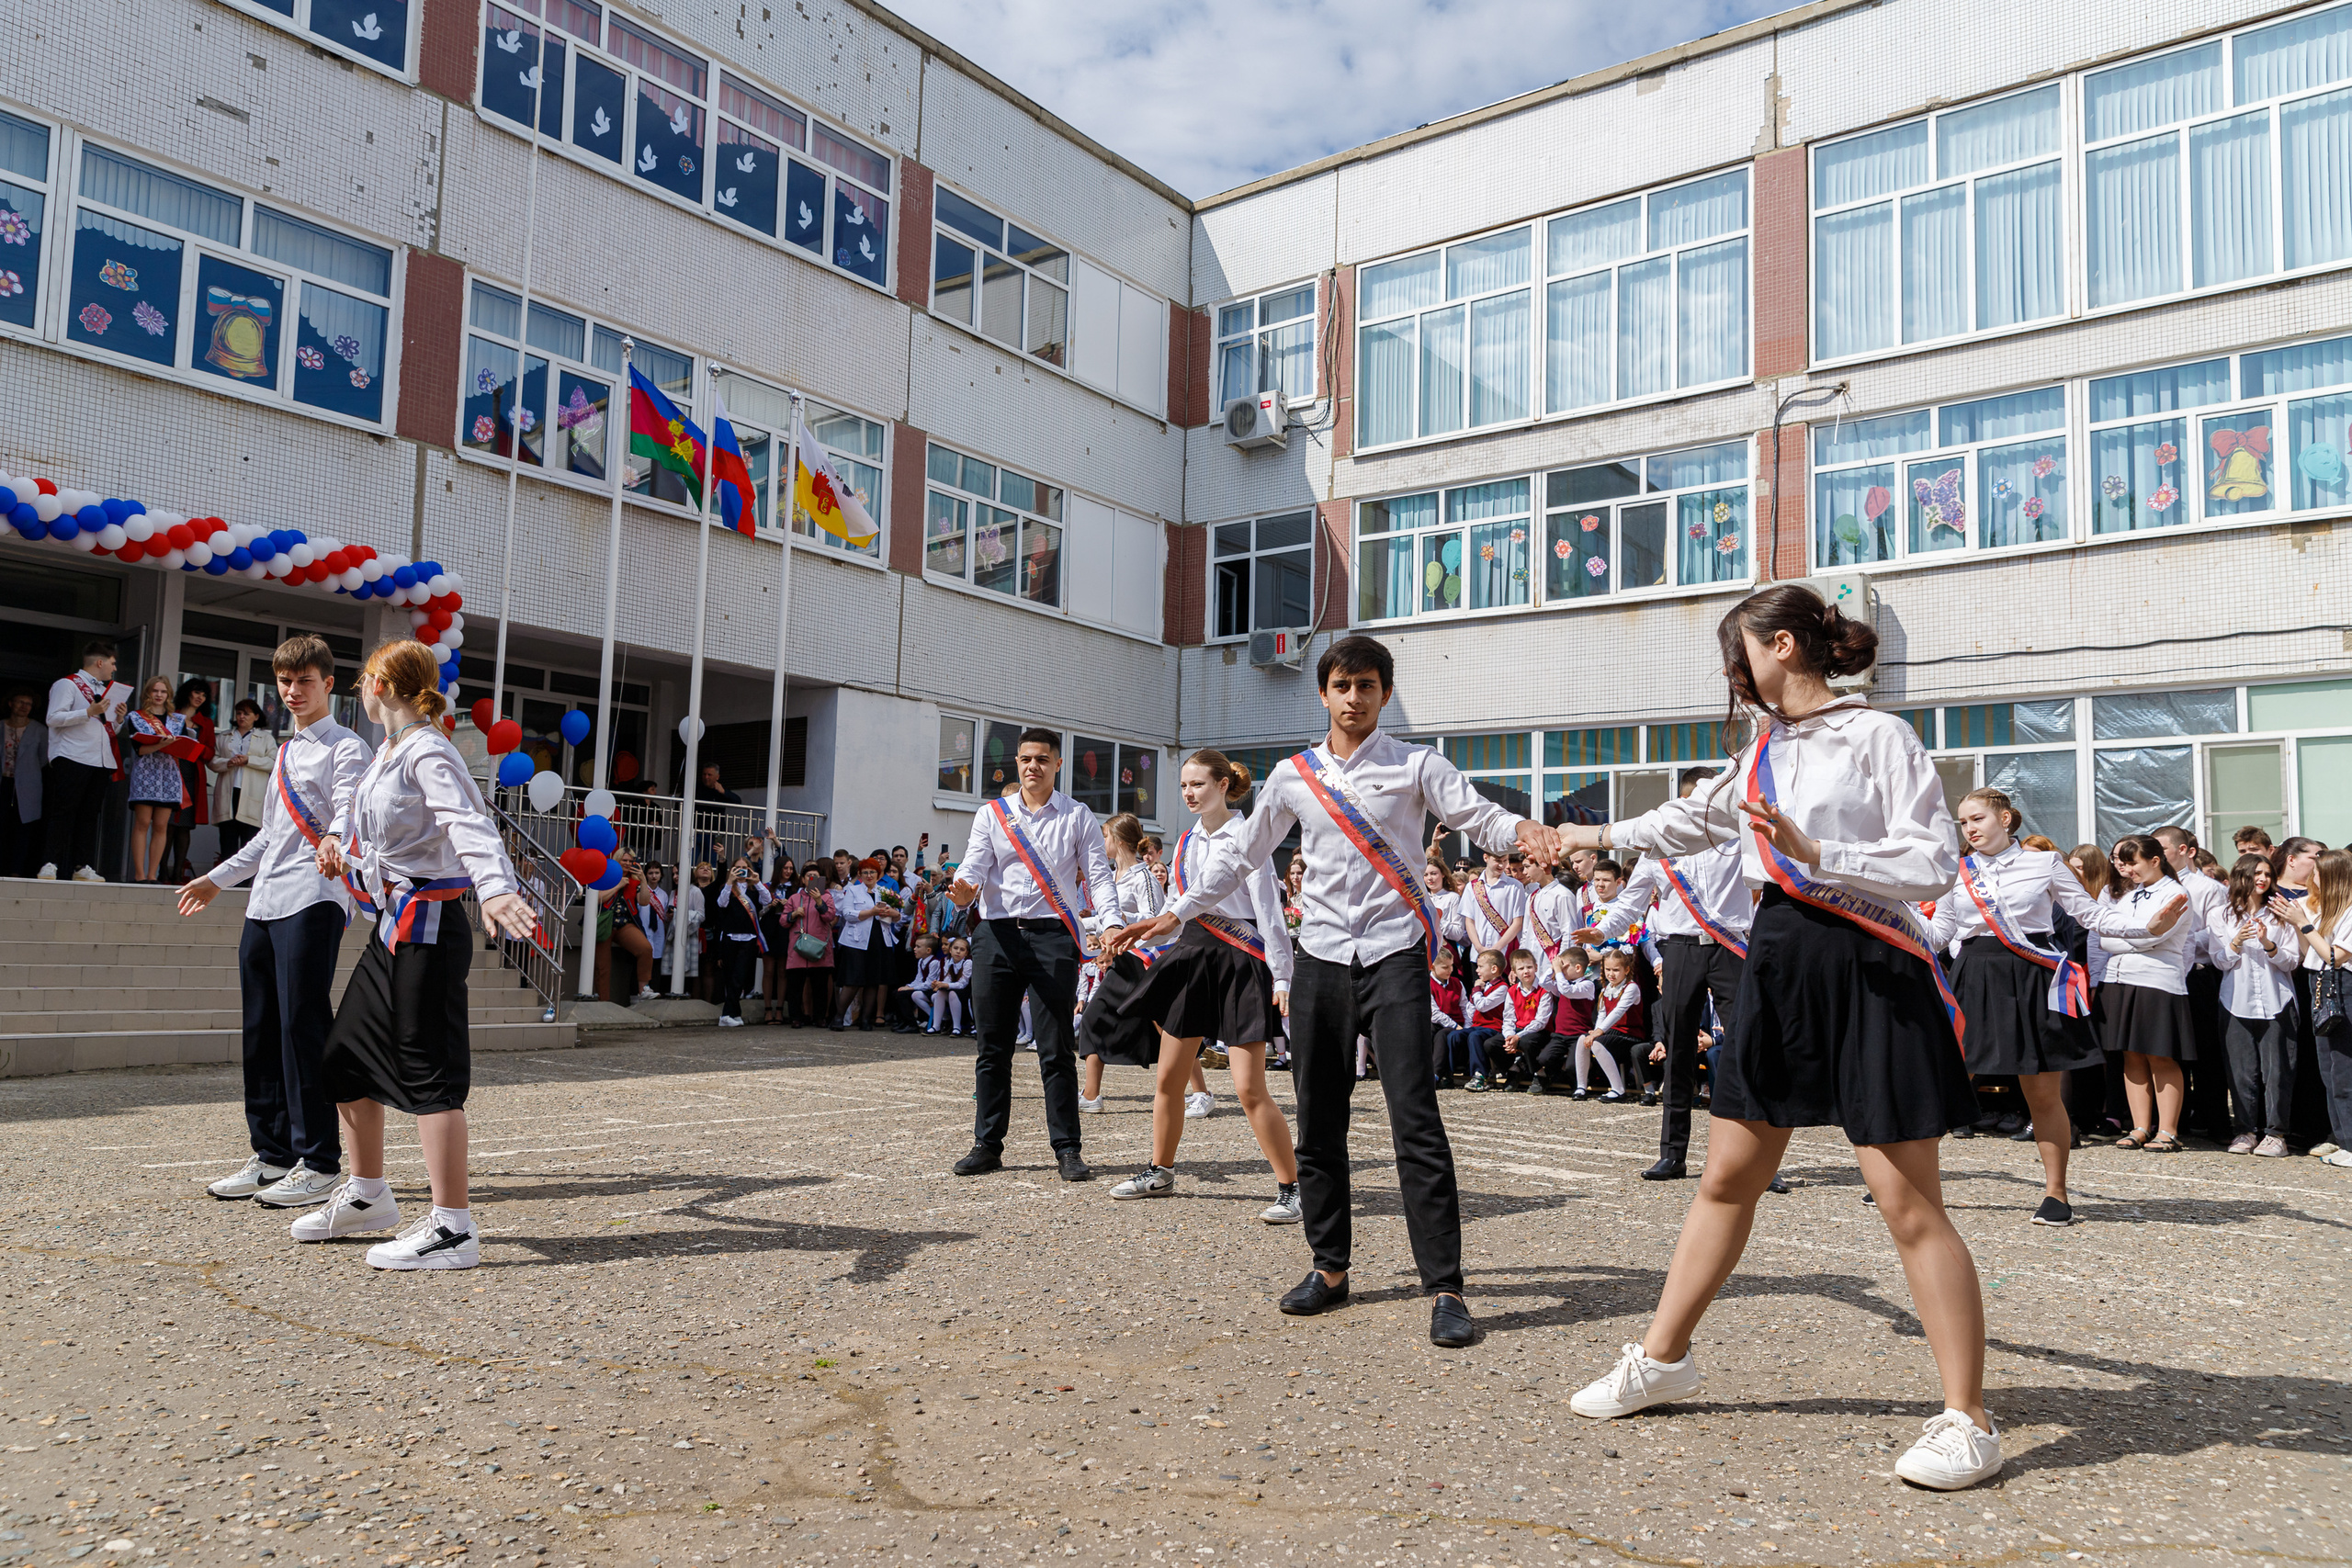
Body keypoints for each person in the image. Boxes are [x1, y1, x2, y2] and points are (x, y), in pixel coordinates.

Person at [1554, 584, 2002, 1492]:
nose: (1735, 671)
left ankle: (1968, 1419)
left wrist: (1823, 855)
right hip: (1779, 958)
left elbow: (1932, 862)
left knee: (1904, 1200)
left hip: (1870, 966)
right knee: (1726, 1176)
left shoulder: (1877, 736)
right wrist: (1587, 832)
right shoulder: (1759, 752)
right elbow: (1687, 821)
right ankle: (1663, 1356)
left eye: (1741, 652)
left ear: (1783, 645)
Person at [1110, 636, 1557, 1349]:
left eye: (1369, 685)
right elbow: (1243, 852)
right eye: (1344, 684)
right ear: (1323, 693)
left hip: (1396, 959)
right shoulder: (1293, 775)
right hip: (1320, 959)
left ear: (1384, 694)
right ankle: (1330, 1267)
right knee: (1320, 1120)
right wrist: (1178, 910)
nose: (1355, 697)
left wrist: (1525, 827)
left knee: (1415, 1118)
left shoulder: (1417, 764)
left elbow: (1478, 817)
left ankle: (1444, 1286)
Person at [300, 637, 536, 1269]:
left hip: (429, 927)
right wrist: (342, 851)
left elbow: (468, 822)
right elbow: (382, 833)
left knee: (431, 1073)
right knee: (345, 1055)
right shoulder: (391, 751)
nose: (359, 690)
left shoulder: (430, 750)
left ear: (380, 685)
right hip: (393, 926)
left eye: (362, 680)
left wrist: (495, 888)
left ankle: (453, 1228)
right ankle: (370, 1195)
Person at [1924, 790, 2179, 1224]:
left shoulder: (2044, 863)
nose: (1968, 828)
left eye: (1977, 818)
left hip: (2032, 976)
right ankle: (1912, 1183)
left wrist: (2145, 926)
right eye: (1962, 821)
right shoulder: (1956, 870)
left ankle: (2056, 1194)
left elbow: (2091, 915)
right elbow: (1939, 934)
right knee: (1946, 1083)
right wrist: (1891, 921)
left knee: (2042, 1093)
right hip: (1975, 975)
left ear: (2005, 818)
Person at [178, 635, 369, 1209]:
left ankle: (320, 1161)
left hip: (316, 896)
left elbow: (348, 809)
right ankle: (271, 1154)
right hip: (265, 900)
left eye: (304, 681)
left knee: (301, 1025)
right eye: (285, 682)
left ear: (328, 684)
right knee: (261, 1026)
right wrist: (219, 879)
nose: (293, 692)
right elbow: (269, 836)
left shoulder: (346, 747)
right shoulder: (284, 752)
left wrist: (336, 836)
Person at [1102, 750, 1303, 1224]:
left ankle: (1291, 1188)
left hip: (1239, 957)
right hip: (1194, 954)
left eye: (1199, 785)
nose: (1190, 793)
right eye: (1185, 786)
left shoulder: (1248, 836)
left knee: (1250, 1087)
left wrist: (1283, 974)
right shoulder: (1188, 841)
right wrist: (1133, 936)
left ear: (1223, 785)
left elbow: (1270, 914)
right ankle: (1160, 1170)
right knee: (1169, 1077)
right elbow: (1176, 908)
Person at [947, 728, 1118, 1180]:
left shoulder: (1077, 815)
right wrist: (964, 889)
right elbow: (973, 866)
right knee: (992, 1047)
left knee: (1055, 1047)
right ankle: (987, 1144)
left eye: (1042, 759)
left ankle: (1067, 1148)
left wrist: (1113, 923)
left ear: (1057, 764)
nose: (1032, 767)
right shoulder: (992, 814)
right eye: (1025, 759)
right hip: (997, 936)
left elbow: (1098, 877)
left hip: (1052, 938)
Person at [1580, 770, 1749, 1179]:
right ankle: (1673, 1153)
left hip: (1731, 948)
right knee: (1677, 1051)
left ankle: (1753, 1158)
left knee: (1745, 1047)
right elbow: (1631, 903)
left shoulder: (1736, 835)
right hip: (1680, 950)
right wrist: (1601, 930)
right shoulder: (1659, 849)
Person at [2100, 834, 2199, 1152]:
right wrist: (2136, 935)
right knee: (2131, 1053)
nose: (2126, 870)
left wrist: (2131, 936)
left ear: (2155, 861)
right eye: (2123, 863)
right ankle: (2140, 1125)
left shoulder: (2175, 893)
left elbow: (2153, 938)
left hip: (2157, 981)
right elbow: (2105, 937)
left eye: (2133, 863)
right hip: (2121, 978)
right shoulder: (2131, 895)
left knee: (2160, 1054)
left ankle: (2167, 1129)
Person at [1078, 812, 1172, 1111]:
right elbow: (1108, 918)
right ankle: (1091, 1096)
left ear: (1117, 840)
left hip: (1144, 962)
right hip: (1124, 963)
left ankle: (1201, 1091)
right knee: (1097, 1018)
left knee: (1166, 1026)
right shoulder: (1112, 875)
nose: (1102, 841)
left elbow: (1155, 918)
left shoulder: (1144, 875)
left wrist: (1118, 922)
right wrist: (1081, 923)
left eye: (1105, 836)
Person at [2215, 852, 2299, 1156]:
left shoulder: (2281, 911)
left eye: (2267, 874)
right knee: (2241, 1070)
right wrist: (2236, 942)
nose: (2263, 879)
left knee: (2278, 1069)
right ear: (2242, 877)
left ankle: (2276, 1134)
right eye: (2256, 874)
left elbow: (2291, 961)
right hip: (2235, 1000)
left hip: (2277, 999)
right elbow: (2219, 960)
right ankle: (2245, 1131)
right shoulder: (2222, 915)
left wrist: (2268, 944)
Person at [2273, 847, 2352, 1167]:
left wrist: (2303, 923)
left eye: (2317, 872)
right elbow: (2311, 953)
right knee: (2328, 1070)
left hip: (2344, 988)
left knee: (2344, 1070)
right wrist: (2296, 924)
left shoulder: (2349, 909)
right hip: (2319, 985)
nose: (2310, 877)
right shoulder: (2322, 907)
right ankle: (2342, 1139)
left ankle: (2350, 1143)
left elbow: (2335, 956)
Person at [40, 639, 124, 883]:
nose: (114, 668)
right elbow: (53, 718)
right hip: (72, 755)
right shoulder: (67, 685)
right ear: (100, 662)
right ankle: (49, 863)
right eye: (112, 663)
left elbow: (104, 729)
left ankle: (82, 866)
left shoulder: (105, 690)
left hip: (100, 760)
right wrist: (87, 711)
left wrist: (118, 719)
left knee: (89, 815)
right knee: (64, 811)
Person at [832, 857, 899, 1030]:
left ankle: (866, 1019)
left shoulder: (885, 891)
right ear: (860, 874)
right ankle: (839, 1017)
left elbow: (898, 916)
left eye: (873, 872)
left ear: (878, 874)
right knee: (852, 981)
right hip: (856, 941)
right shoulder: (853, 891)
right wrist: (871, 911)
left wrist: (892, 912)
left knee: (873, 981)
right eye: (866, 872)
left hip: (878, 939)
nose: (869, 875)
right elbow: (847, 914)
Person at [209, 697, 273, 865]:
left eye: (246, 713)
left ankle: (244, 885)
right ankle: (227, 884)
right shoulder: (223, 737)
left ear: (256, 717)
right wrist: (227, 763)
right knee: (227, 841)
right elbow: (212, 761)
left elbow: (274, 763)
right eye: (239, 713)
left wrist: (249, 760)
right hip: (228, 793)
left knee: (249, 842)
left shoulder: (265, 738)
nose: (242, 717)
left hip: (253, 794)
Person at [164, 678, 216, 885]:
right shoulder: (170, 715)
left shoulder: (207, 723)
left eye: (203, 695)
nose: (199, 697)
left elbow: (211, 752)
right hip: (169, 771)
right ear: (187, 693)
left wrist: (196, 747)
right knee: (166, 825)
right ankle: (161, 873)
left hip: (191, 775)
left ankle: (177, 874)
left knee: (184, 827)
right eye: (196, 692)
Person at [710, 856, 769, 1027]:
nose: (741, 870)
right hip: (730, 937)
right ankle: (733, 1014)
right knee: (731, 977)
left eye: (745, 867)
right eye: (738, 868)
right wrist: (729, 882)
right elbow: (721, 904)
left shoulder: (754, 889)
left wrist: (757, 882)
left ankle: (727, 1014)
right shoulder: (727, 887)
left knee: (739, 976)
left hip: (748, 938)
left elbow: (768, 901)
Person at [781, 865, 838, 1027]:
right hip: (798, 947)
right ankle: (796, 1017)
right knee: (795, 986)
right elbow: (783, 921)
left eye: (816, 876)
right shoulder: (794, 898)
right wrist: (793, 914)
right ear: (803, 879)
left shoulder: (827, 898)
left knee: (819, 985)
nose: (811, 879)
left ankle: (819, 1017)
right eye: (808, 876)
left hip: (819, 947)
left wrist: (819, 901)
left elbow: (829, 916)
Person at [1493, 948, 1555, 1091]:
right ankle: (1514, 1070)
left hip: (1540, 1031)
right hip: (1518, 1030)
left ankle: (1540, 1074)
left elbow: (1541, 1021)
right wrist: (1509, 1036)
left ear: (1536, 968)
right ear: (1514, 972)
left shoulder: (1544, 990)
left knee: (1527, 1042)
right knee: (1491, 1044)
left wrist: (1517, 1036)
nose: (1526, 971)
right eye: (1521, 968)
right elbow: (1508, 1018)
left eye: (1529, 967)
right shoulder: (1512, 991)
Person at [1, 687, 45, 877]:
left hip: (27, 786)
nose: (24, 706)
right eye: (20, 702)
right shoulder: (1, 726)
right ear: (11, 703)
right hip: (3, 782)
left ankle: (16, 872)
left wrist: (28, 772)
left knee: (23, 830)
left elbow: (44, 758)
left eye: (28, 704)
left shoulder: (40, 730)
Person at [1429, 943, 1476, 1089]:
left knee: (1443, 1036)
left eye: (1451, 966)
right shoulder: (1427, 984)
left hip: (1456, 1022)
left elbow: (1465, 1006)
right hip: (1439, 1021)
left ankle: (1436, 1074)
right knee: (1428, 1031)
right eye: (1445, 967)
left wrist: (1466, 1027)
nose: (1450, 970)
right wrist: (1455, 1026)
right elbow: (1434, 1013)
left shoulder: (1457, 983)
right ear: (1432, 967)